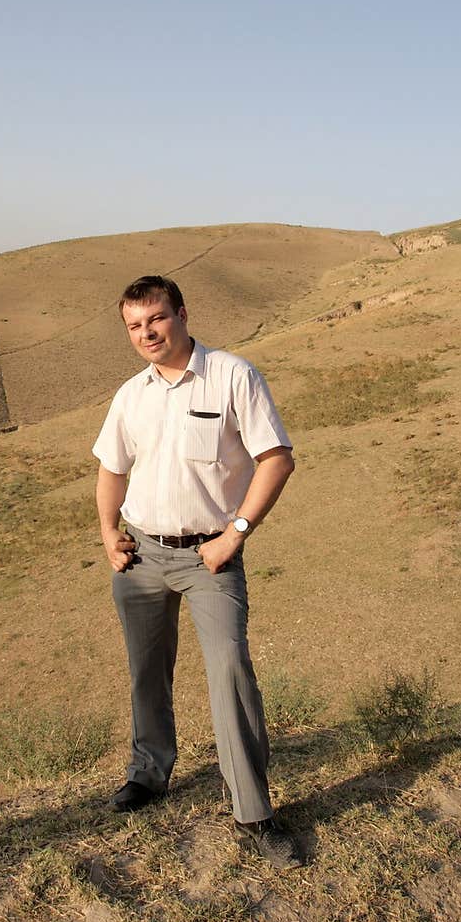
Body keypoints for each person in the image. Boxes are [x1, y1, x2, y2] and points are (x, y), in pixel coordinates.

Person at [92, 274, 299, 868]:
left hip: (211, 554)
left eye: (155, 318)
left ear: (181, 313)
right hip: (140, 556)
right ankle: (149, 775)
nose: (146, 333)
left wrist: (235, 534)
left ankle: (254, 812)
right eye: (134, 325)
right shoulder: (131, 395)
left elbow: (276, 459)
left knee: (229, 668)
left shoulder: (234, 375)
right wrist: (110, 534)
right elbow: (112, 469)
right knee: (145, 671)